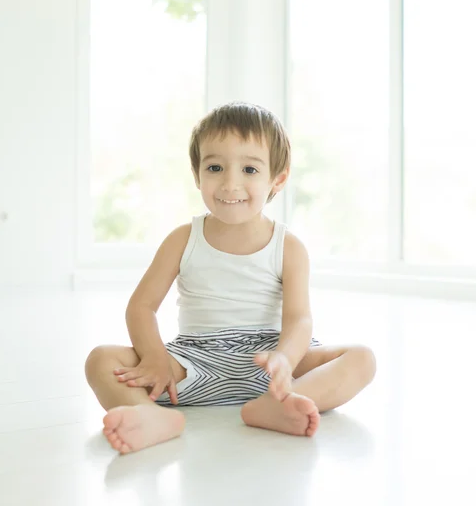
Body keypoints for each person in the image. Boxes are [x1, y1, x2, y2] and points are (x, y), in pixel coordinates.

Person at [85, 101, 376, 455]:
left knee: (362, 358)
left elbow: (299, 319)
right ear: (197, 174)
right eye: (215, 167)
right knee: (101, 360)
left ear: (278, 179)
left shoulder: (289, 246)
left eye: (250, 169)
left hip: (271, 362)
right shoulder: (183, 238)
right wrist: (155, 358)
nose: (230, 183)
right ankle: (149, 416)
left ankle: (278, 404)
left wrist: (285, 358)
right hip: (195, 361)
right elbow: (142, 307)